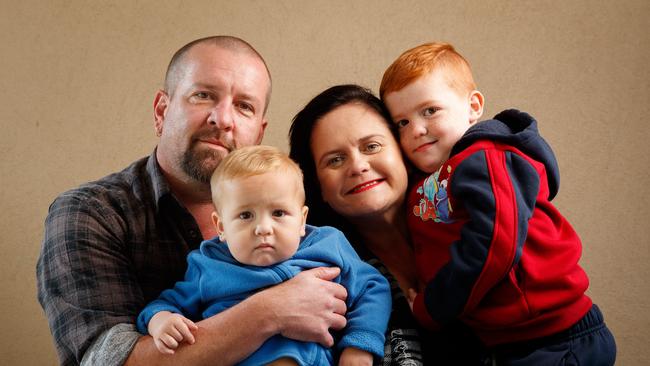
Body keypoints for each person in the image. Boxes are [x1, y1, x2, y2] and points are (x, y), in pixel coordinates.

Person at [37, 36, 349, 366]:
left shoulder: (298, 210)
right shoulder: (92, 213)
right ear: (161, 111)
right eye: (203, 95)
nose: (223, 119)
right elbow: (110, 362)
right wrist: (270, 311)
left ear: (258, 132)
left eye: (244, 106)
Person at [379, 41, 617, 364]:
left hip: (554, 336)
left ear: (473, 107)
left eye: (430, 111)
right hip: (505, 342)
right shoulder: (427, 180)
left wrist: (432, 306)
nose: (416, 130)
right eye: (401, 123)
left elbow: (494, 244)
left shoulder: (486, 156)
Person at [136, 145, 391, 365]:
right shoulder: (209, 265)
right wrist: (161, 320)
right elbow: (164, 304)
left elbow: (372, 286)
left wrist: (359, 346)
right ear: (221, 227)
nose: (263, 228)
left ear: (302, 219)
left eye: (279, 213)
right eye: (245, 215)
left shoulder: (326, 245)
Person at [289, 84, 484, 365]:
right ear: (317, 186)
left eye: (372, 146)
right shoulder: (314, 281)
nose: (358, 166)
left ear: (403, 151)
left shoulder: (474, 222)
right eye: (335, 160)